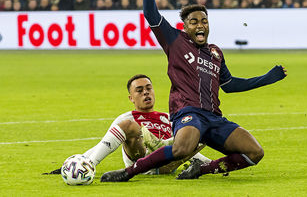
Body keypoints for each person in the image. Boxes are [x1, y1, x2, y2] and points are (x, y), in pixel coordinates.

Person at [100, 0, 287, 182]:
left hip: (214, 118)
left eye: (204, 21)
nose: (200, 25)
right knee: (182, 148)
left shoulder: (216, 53)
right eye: (194, 22)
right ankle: (128, 172)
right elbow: (150, 12)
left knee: (255, 152)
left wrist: (267, 78)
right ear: (186, 27)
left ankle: (202, 169)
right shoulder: (176, 40)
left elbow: (229, 85)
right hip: (187, 112)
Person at [44, 74, 209, 175]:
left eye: (148, 88)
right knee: (131, 127)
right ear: (131, 98)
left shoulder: (168, 117)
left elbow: (184, 145)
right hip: (141, 160)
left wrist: (208, 163)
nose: (145, 92)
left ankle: (165, 148)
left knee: (198, 125)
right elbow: (102, 144)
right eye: (139, 90)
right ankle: (90, 166)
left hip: (166, 163)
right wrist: (83, 160)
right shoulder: (127, 117)